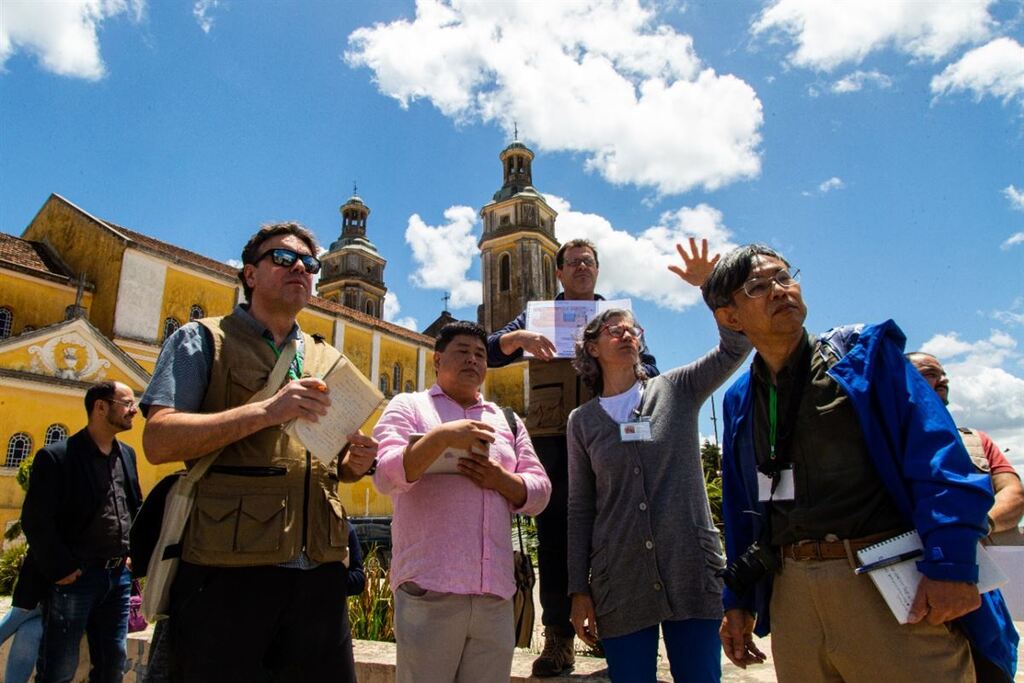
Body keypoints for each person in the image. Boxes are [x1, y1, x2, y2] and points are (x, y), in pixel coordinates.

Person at [709, 244, 1018, 683]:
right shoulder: (741, 398)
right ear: (730, 317)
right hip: (793, 593)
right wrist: (737, 600)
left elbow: (939, 458)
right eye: (758, 286)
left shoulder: (863, 360)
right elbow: (743, 507)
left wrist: (950, 565)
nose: (780, 291)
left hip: (888, 585)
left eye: (784, 277)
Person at [140, 222, 378, 683]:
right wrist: (268, 410)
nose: (300, 269)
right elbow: (159, 440)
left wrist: (355, 463)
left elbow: (334, 464)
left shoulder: (326, 356)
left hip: (320, 572)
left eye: (309, 264)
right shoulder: (201, 339)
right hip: (230, 569)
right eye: (283, 259)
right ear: (249, 274)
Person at [566, 239, 750, 682]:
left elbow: (735, 347)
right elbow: (579, 509)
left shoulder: (677, 389)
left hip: (691, 570)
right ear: (592, 347)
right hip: (620, 579)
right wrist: (578, 589)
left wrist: (713, 289)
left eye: (634, 329)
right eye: (615, 329)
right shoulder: (582, 422)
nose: (628, 334)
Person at [487, 238, 658, 676]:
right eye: (572, 263)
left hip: (610, 435)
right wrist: (516, 337)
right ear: (558, 273)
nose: (581, 267)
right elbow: (488, 350)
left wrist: (634, 365)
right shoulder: (537, 316)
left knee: (618, 530)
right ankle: (558, 638)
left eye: (588, 262)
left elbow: (653, 370)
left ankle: (614, 630)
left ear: (597, 271)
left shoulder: (620, 320)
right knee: (557, 535)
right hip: (553, 437)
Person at [373, 320, 551, 683]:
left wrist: (500, 480)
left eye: (480, 354)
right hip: (429, 592)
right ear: (437, 359)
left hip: (494, 596)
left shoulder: (507, 420)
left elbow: (541, 491)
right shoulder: (408, 407)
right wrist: (438, 439)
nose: (473, 360)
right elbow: (384, 475)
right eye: (462, 351)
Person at [21, 380, 143, 683]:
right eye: (127, 403)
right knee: (58, 666)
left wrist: (131, 555)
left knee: (113, 663)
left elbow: (132, 507)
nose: (134, 410)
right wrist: (63, 568)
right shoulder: (58, 457)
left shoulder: (127, 454)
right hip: (76, 577)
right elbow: (36, 520)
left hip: (118, 577)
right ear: (100, 407)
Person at [907, 352, 1024, 539]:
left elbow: (1014, 493)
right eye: (930, 374)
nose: (944, 380)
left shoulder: (975, 441)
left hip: (976, 555)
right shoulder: (882, 439)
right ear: (901, 380)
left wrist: (979, 527)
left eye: (943, 374)